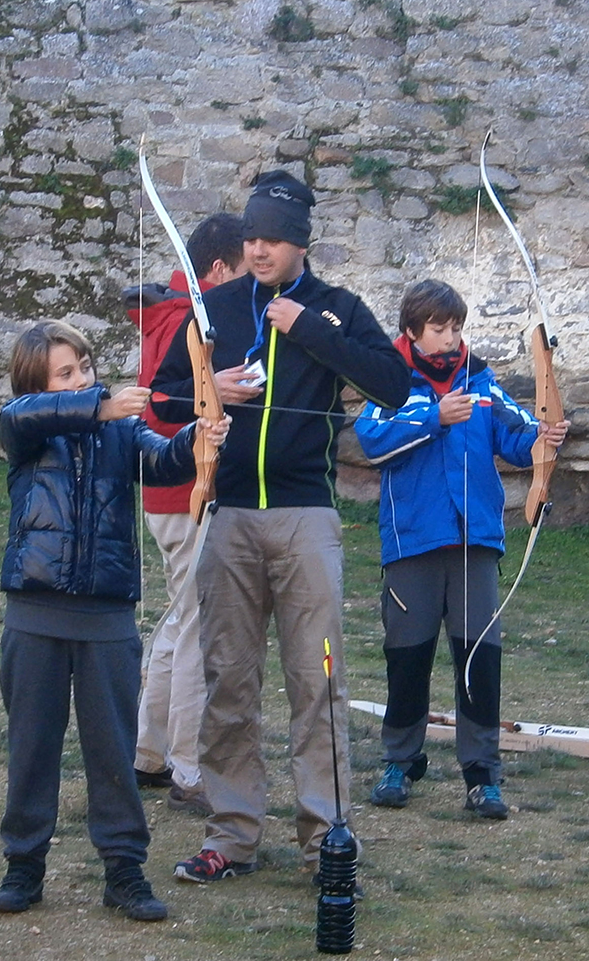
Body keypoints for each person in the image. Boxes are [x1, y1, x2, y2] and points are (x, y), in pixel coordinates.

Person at [152, 170, 410, 883]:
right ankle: (229, 834)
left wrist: (315, 332)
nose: (259, 250)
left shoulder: (336, 308)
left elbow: (394, 385)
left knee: (317, 678)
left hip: (306, 518)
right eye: (253, 238)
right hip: (227, 514)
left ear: (301, 244)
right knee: (227, 676)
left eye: (273, 240)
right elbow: (166, 401)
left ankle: (326, 837)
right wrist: (215, 388)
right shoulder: (218, 306)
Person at [0, 320, 230, 921]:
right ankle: (23, 867)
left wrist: (202, 439)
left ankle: (124, 872)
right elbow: (24, 416)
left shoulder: (121, 430)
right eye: (65, 374)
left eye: (87, 367)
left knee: (113, 751)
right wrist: (96, 403)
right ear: (39, 383)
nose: (84, 379)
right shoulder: (25, 426)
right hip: (36, 611)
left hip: (107, 615)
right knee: (32, 747)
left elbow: (166, 461)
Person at [355, 279, 569, 819]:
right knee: (408, 657)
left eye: (456, 328)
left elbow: (519, 435)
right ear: (412, 332)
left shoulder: (481, 381)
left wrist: (546, 438)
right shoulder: (391, 381)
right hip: (412, 544)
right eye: (439, 329)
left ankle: (482, 775)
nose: (450, 338)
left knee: (478, 658)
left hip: (475, 543)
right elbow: (372, 441)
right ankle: (400, 761)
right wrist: (434, 417)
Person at [127, 212, 248, 817]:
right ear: (220, 269)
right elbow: (161, 406)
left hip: (174, 490)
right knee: (197, 628)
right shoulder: (186, 321)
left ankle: (148, 753)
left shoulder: (175, 313)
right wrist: (217, 388)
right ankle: (190, 767)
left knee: (180, 622)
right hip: (183, 489)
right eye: (245, 270)